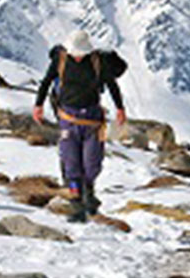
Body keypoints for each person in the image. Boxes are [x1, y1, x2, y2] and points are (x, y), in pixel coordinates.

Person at [33, 30, 128, 223]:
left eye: (80, 53)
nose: (76, 56)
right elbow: (46, 82)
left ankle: (89, 192)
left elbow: (111, 84)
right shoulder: (60, 60)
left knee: (92, 163)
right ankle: (77, 205)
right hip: (68, 117)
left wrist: (120, 108)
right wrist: (38, 105)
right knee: (71, 162)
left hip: (92, 118)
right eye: (74, 53)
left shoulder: (97, 62)